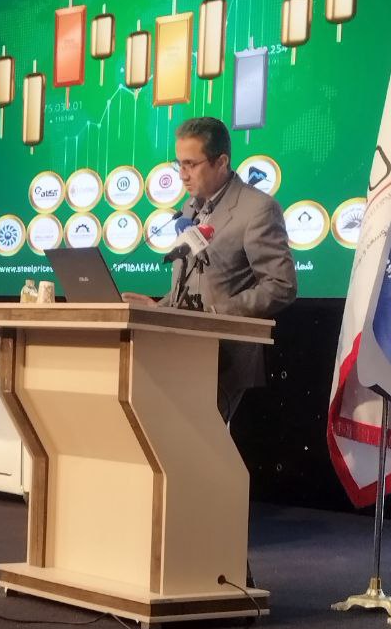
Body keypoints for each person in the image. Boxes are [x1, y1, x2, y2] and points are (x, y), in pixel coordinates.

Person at [123, 117, 297, 422]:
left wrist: (216, 315)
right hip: (180, 351)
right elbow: (194, 282)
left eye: (191, 164)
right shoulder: (190, 208)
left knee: (195, 442)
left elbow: (281, 285)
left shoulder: (257, 209)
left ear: (221, 162)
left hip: (223, 358)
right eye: (179, 164)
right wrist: (159, 308)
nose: (182, 175)